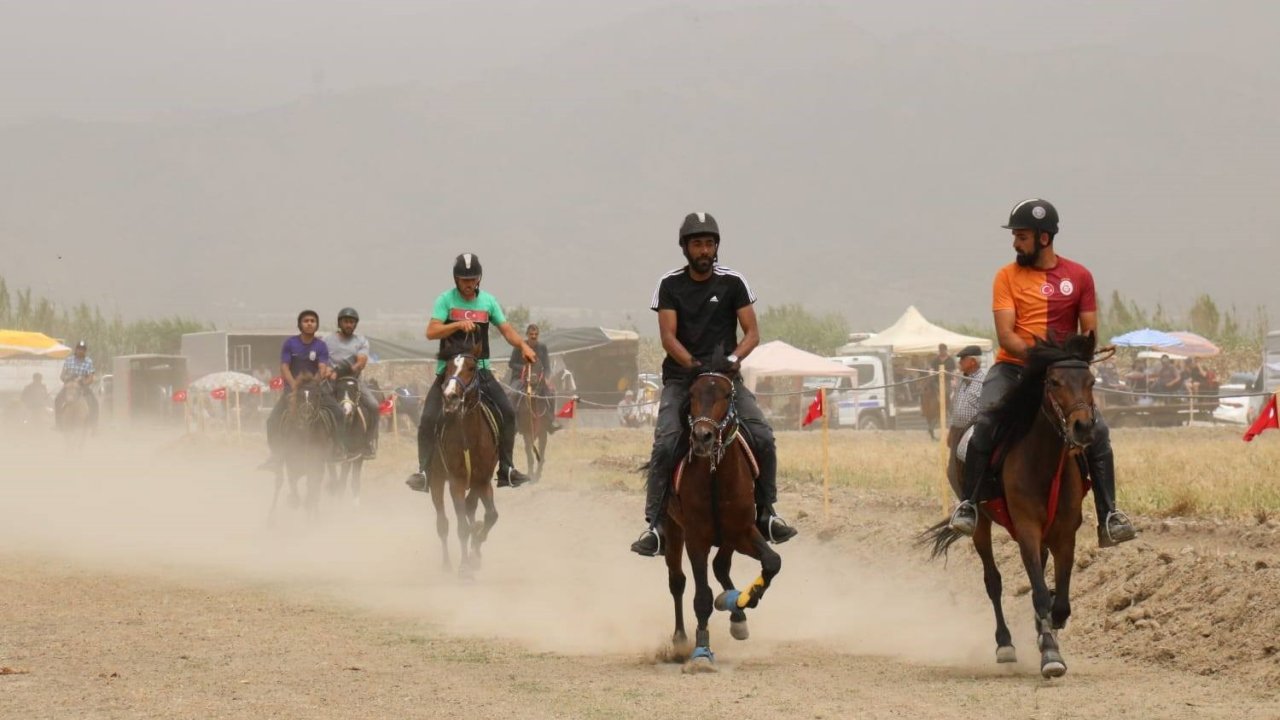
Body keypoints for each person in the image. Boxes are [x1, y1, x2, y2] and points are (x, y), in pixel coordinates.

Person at [948, 199, 1136, 548]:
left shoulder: (1080, 277)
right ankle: (970, 504)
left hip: (1063, 375)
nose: (1015, 243)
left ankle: (1110, 515)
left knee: (1099, 432)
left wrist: (1072, 359)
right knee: (986, 423)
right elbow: (1007, 335)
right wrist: (1042, 358)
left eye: (1021, 236)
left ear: (1044, 238)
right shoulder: (1005, 276)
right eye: (1016, 236)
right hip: (1013, 368)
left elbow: (1089, 331)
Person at [630, 212, 797, 557]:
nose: (704, 250)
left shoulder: (733, 282)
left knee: (762, 435)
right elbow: (667, 337)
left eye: (709, 243)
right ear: (685, 248)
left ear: (716, 247)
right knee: (666, 443)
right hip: (683, 379)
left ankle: (766, 512)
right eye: (697, 244)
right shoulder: (670, 285)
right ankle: (657, 525)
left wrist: (733, 361)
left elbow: (752, 333)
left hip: (724, 379)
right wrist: (693, 365)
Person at [405, 252, 538, 492]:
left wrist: (523, 345)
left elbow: (506, 330)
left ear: (479, 279)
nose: (468, 284)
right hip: (450, 372)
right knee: (427, 419)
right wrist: (456, 324)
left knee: (508, 412)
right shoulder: (445, 300)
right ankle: (424, 471)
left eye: (473, 279)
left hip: (481, 370)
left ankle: (506, 468)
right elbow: (431, 331)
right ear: (456, 279)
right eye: (464, 280)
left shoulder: (488, 301)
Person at [259, 310, 341, 469]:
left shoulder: (321, 345)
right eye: (306, 321)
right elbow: (284, 367)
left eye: (313, 321)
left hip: (316, 390)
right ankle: (275, 455)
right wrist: (295, 386)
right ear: (300, 324)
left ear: (316, 325)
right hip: (292, 390)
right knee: (272, 420)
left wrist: (313, 385)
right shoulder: (290, 344)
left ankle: (337, 448)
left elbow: (322, 368)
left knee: (338, 412)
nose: (309, 323)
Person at [323, 307, 380, 459]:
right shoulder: (327, 340)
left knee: (374, 406)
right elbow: (323, 361)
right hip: (332, 380)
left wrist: (345, 369)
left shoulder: (361, 341)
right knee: (316, 404)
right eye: (346, 322)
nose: (349, 325)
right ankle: (316, 442)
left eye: (352, 322)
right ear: (340, 323)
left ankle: (368, 442)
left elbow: (361, 362)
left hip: (354, 380)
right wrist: (329, 372)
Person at [507, 323, 561, 433]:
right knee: (512, 394)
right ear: (527, 335)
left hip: (538, 379)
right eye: (531, 334)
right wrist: (523, 368)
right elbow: (511, 363)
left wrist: (546, 377)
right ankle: (514, 423)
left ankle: (551, 421)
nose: (533, 336)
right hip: (520, 378)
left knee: (551, 393)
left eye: (536, 334)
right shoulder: (519, 346)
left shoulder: (542, 347)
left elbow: (547, 366)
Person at [946, 346, 985, 452]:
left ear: (973, 361)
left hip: (973, 434)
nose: (960, 362)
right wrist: (951, 429)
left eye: (963, 359)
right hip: (957, 431)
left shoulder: (984, 381)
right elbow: (955, 406)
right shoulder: (961, 379)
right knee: (954, 467)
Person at [55, 341, 99, 430]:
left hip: (83, 387)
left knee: (94, 402)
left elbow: (91, 377)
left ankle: (94, 426)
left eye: (83, 349)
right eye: (79, 349)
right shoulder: (69, 360)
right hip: (69, 386)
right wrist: (67, 378)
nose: (81, 351)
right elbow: (62, 375)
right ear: (76, 350)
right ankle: (58, 424)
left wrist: (84, 382)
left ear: (85, 351)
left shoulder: (88, 361)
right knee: (57, 400)